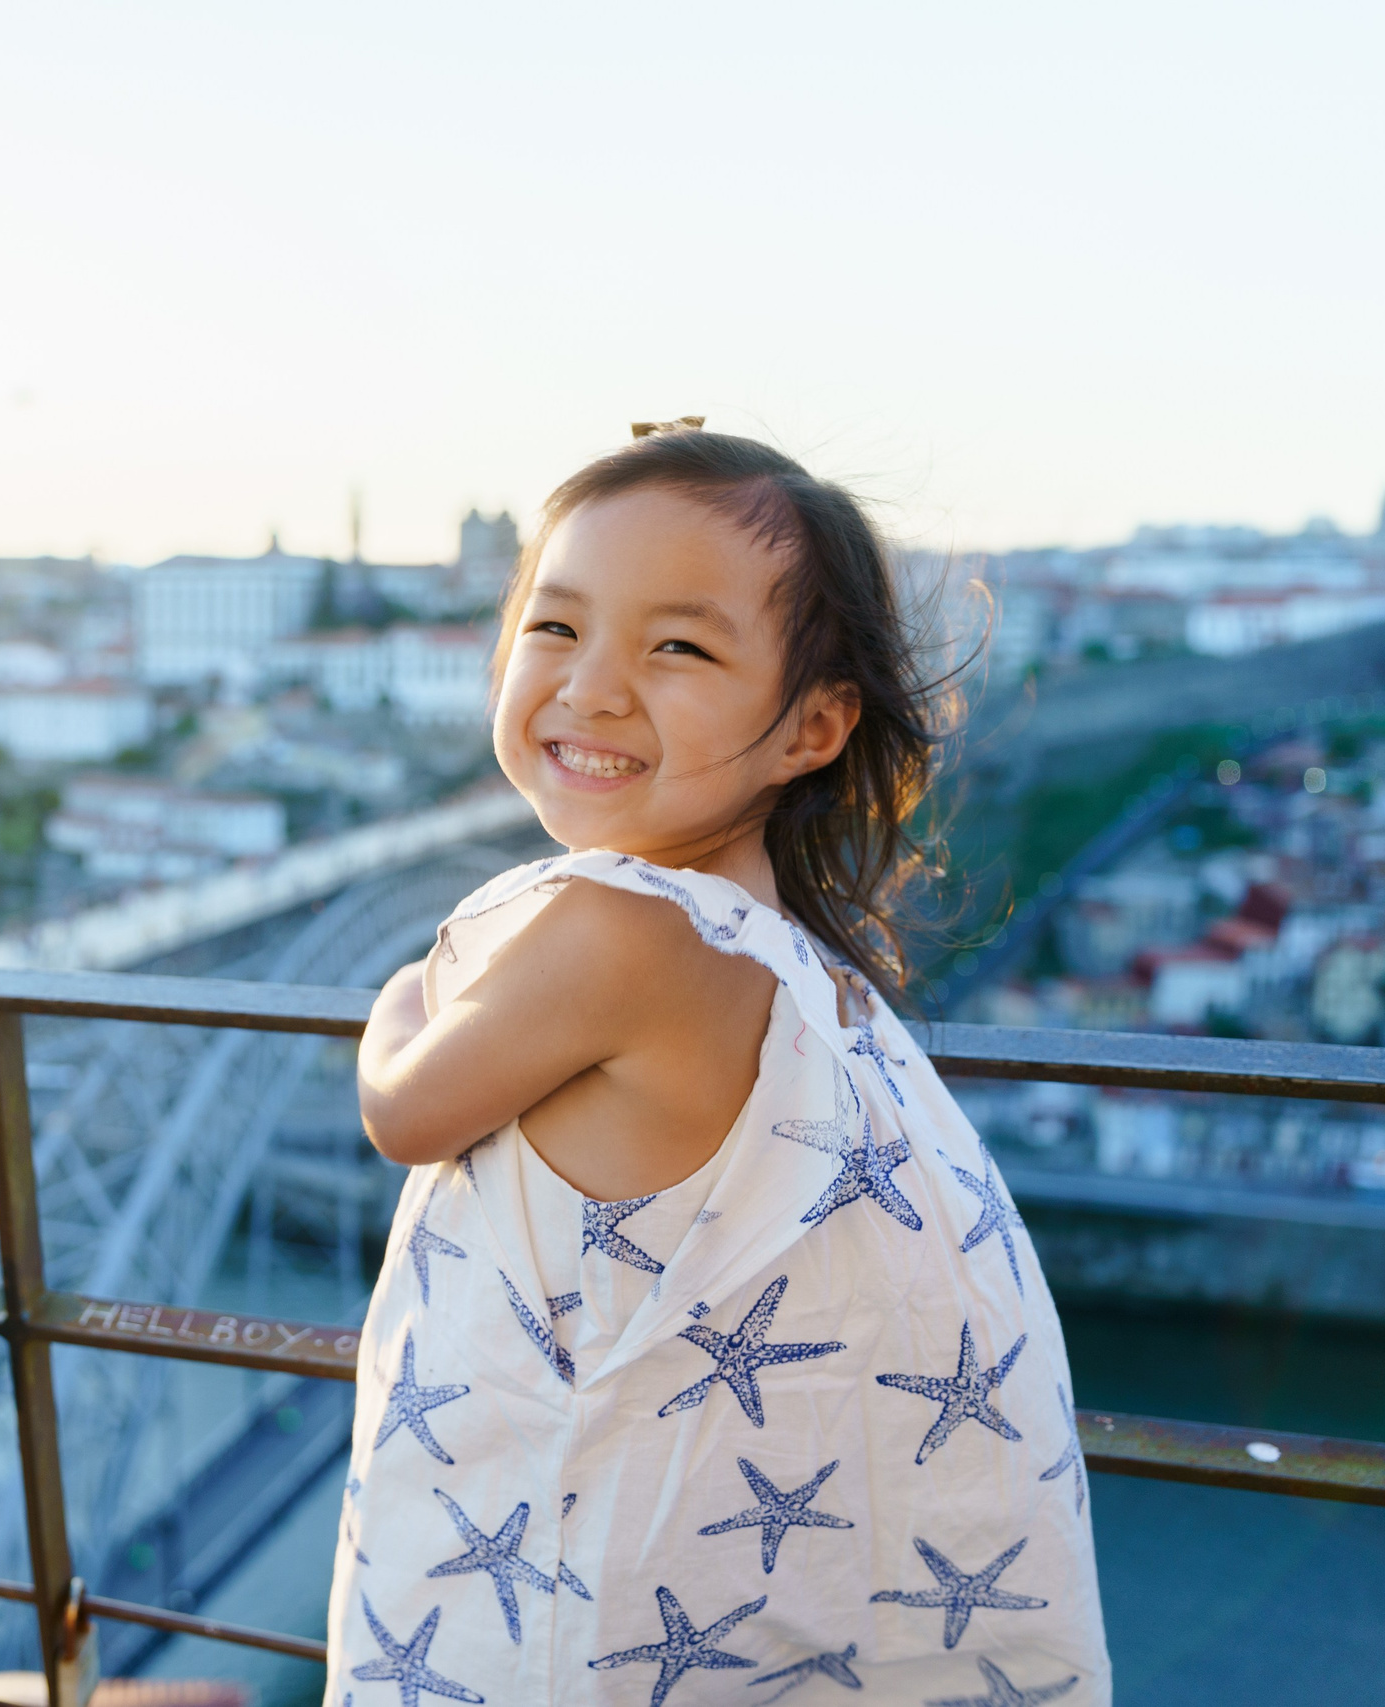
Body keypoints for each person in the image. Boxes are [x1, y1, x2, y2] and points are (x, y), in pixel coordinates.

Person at [329, 428, 1108, 1705]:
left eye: (676, 647)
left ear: (812, 727)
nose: (590, 688)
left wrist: (405, 995)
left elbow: (405, 1110)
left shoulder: (618, 929)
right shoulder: (801, 965)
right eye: (554, 628)